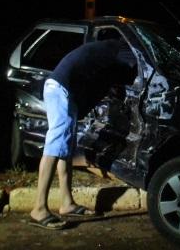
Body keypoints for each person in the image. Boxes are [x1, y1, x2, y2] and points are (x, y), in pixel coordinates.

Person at [29, 38, 137, 230]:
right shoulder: (122, 47)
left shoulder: (107, 51)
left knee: (65, 148)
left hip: (62, 89)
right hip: (61, 88)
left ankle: (66, 202)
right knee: (55, 145)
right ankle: (39, 208)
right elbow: (137, 65)